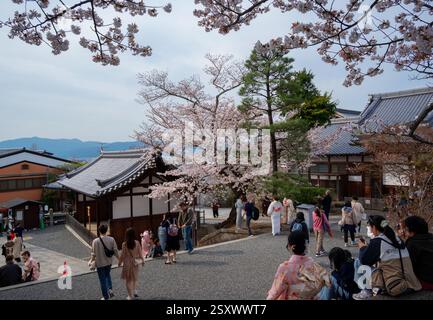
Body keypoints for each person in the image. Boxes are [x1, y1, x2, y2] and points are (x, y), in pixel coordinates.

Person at [352, 215, 421, 300]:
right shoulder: (397, 239)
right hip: (411, 283)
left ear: (374, 227)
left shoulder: (378, 241)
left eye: (370, 227)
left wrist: (362, 247)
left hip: (395, 285)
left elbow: (364, 260)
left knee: (358, 261)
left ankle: (366, 291)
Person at [267, 231, 330, 300]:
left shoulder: (285, 268)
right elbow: (323, 281)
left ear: (292, 247)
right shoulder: (312, 263)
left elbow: (276, 291)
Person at [400, 216, 433, 290]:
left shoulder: (412, 243)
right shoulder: (430, 238)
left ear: (411, 231)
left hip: (427, 283)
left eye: (405, 228)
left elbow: (407, 268)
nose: (403, 231)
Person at [90, 224, 120, 300]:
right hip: (108, 262)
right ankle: (110, 289)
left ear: (99, 231)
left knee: (102, 280)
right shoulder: (111, 239)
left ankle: (105, 296)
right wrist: (119, 259)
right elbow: (116, 251)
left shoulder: (95, 241)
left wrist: (91, 261)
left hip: (100, 263)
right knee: (107, 275)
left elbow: (93, 254)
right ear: (106, 230)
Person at [118, 228, 145, 300]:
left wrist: (119, 262)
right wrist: (142, 260)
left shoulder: (124, 244)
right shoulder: (137, 243)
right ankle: (135, 291)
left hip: (127, 263)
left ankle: (130, 296)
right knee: (134, 278)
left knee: (128, 280)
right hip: (135, 263)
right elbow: (140, 253)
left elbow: (122, 255)